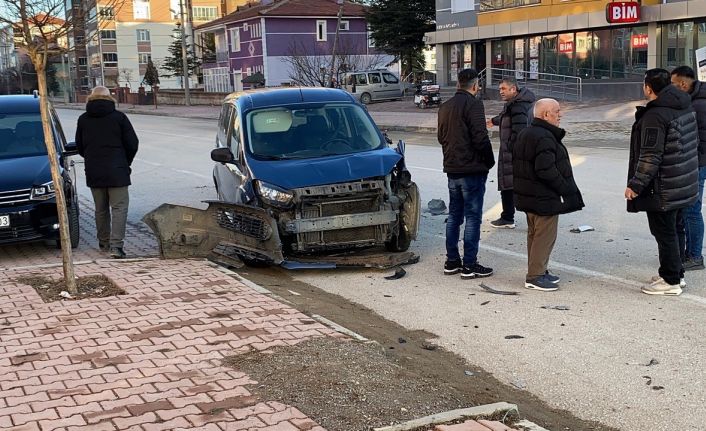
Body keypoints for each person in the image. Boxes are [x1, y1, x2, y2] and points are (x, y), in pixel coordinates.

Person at [625, 69, 698, 296]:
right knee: (676, 229)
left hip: (663, 186)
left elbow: (650, 155)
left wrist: (636, 185)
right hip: (682, 181)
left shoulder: (655, 116)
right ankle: (676, 273)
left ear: (648, 88)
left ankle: (670, 281)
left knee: (664, 232)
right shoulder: (684, 105)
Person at [513, 98, 584, 291]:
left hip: (529, 195)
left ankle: (539, 270)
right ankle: (534, 276)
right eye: (557, 111)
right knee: (544, 237)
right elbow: (546, 170)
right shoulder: (544, 136)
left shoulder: (526, 133)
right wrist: (565, 189)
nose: (560, 114)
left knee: (534, 236)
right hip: (543, 196)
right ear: (545, 114)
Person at [437, 68, 495, 279]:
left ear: (457, 84)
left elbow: (441, 137)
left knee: (454, 216)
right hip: (472, 169)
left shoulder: (445, 107)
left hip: (452, 168)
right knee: (472, 217)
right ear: (475, 85)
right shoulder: (474, 104)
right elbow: (481, 137)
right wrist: (489, 161)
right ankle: (469, 264)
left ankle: (452, 260)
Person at [75, 86, 139, 259]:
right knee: (119, 208)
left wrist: (92, 157)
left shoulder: (83, 119)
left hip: (94, 170)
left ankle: (104, 242)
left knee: (100, 209)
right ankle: (116, 247)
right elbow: (132, 143)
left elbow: (80, 146)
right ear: (109, 98)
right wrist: (125, 162)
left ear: (90, 98)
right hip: (117, 170)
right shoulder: (119, 118)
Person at [487, 77, 536, 229]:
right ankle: (507, 217)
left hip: (514, 154)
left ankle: (533, 221)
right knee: (508, 186)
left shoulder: (518, 106)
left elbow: (520, 131)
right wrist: (494, 121)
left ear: (513, 89)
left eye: (503, 89)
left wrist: (510, 146)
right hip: (513, 153)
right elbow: (506, 117)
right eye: (500, 88)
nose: (500, 91)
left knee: (518, 188)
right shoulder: (516, 103)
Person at [670, 66, 706, 271]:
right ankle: (689, 253)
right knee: (690, 209)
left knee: (691, 210)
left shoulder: (696, 105)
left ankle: (694, 256)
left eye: (673, 84)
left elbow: (693, 137)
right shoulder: (697, 98)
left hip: (698, 162)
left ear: (683, 84)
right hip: (699, 160)